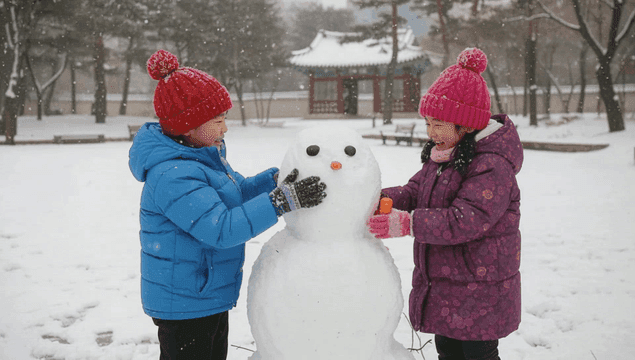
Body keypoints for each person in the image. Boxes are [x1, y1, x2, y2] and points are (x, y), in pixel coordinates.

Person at [129, 49, 327, 360]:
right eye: (218, 121)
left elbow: (235, 195)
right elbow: (221, 228)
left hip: (204, 295)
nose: (225, 129)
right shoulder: (173, 175)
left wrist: (275, 181)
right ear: (188, 126)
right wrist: (281, 202)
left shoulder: (202, 159)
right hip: (185, 305)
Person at [367, 48, 523, 360]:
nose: (431, 132)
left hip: (481, 286)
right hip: (448, 284)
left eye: (439, 123)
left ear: (466, 125)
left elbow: (465, 219)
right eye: (427, 123)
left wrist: (409, 223)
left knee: (478, 354)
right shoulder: (443, 156)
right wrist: (371, 197)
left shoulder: (491, 165)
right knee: (448, 352)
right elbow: (414, 192)